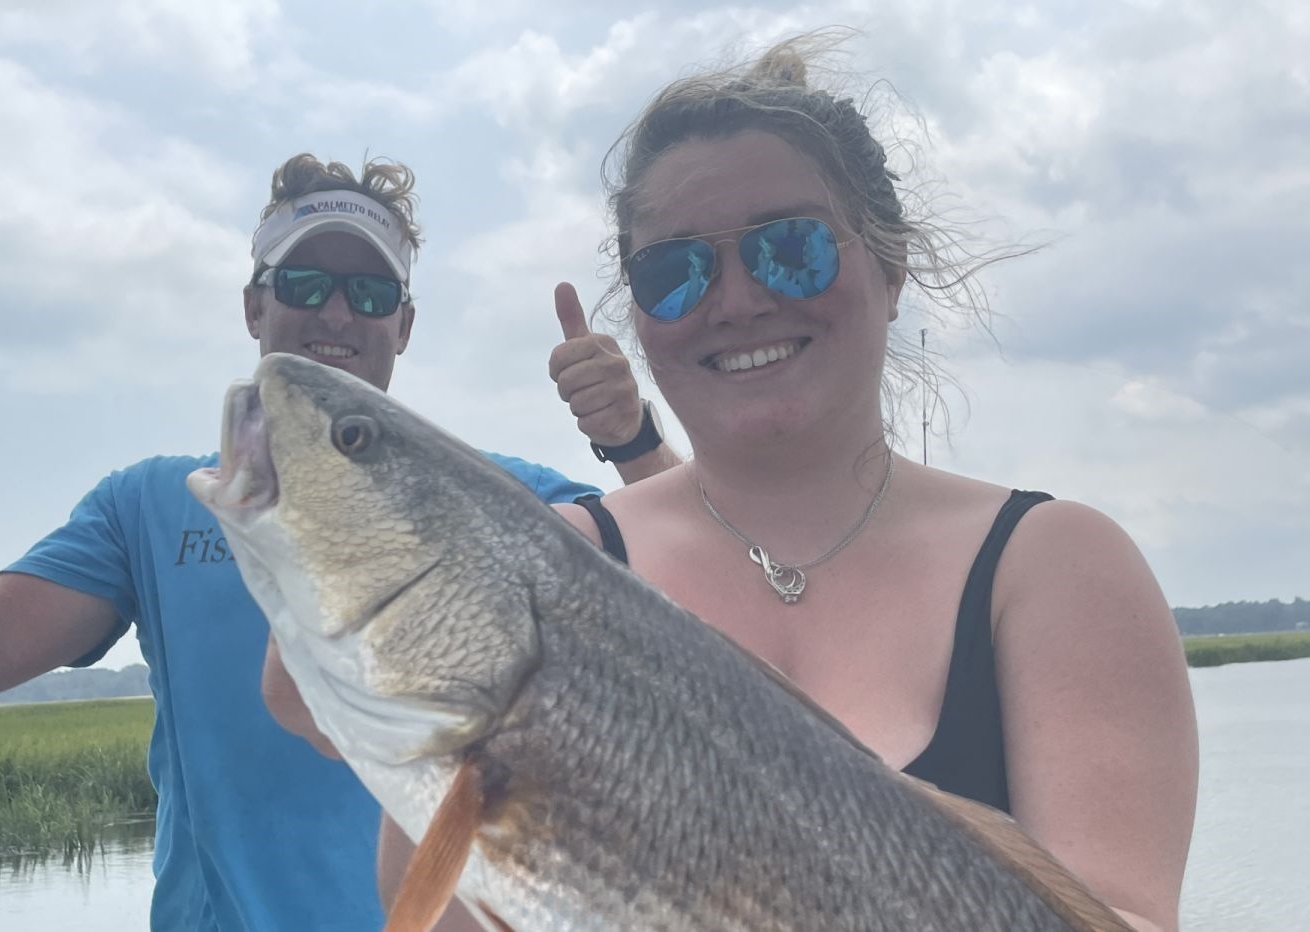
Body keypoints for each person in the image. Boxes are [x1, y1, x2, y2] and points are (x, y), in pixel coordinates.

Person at [378, 35, 1198, 932]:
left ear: (889, 269)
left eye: (789, 248)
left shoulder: (1055, 567)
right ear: (641, 315)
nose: (735, 299)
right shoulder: (554, 568)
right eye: (675, 271)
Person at [0, 153, 671, 931]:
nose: (334, 313)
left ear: (405, 321)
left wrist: (632, 440)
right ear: (255, 305)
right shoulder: (150, 506)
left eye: (368, 291)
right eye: (304, 284)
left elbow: (717, 594)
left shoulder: (501, 501)